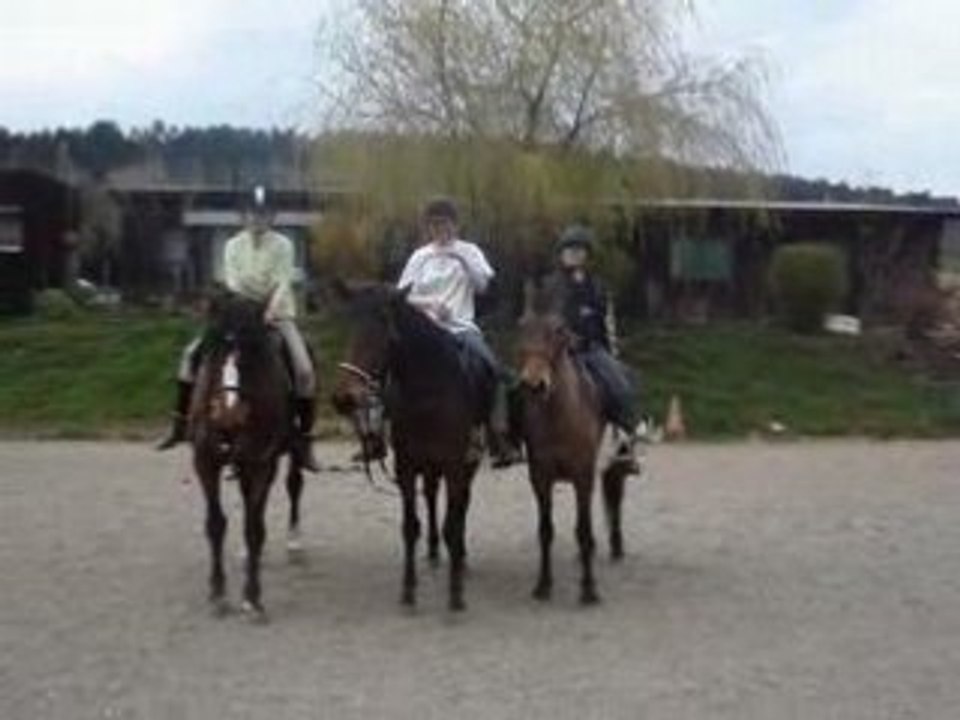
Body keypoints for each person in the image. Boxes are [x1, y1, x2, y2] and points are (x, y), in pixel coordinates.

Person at [156, 186, 319, 471]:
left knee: (304, 370)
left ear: (271, 216)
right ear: (244, 217)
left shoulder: (283, 245)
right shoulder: (232, 245)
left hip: (276, 314)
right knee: (190, 355)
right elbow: (233, 284)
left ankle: (304, 441)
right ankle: (179, 424)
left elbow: (282, 282)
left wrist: (269, 308)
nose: (258, 219)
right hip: (238, 315)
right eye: (252, 215)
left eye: (263, 214)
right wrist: (246, 303)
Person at [395, 197, 521, 467]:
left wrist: (462, 260)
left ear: (455, 225)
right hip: (424, 329)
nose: (440, 230)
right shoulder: (420, 256)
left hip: (460, 327)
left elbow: (483, 286)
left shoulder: (469, 251)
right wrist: (428, 303)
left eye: (444, 224)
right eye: (434, 224)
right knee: (389, 365)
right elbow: (401, 296)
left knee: (491, 368)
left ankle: (495, 432)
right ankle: (379, 430)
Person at [546, 223, 642, 472]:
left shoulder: (597, 287)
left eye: (578, 250)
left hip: (590, 349)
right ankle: (513, 438)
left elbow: (605, 322)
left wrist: (609, 350)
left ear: (587, 255)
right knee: (526, 383)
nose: (573, 255)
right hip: (558, 350)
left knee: (622, 380)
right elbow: (547, 318)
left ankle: (625, 440)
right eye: (568, 250)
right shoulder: (551, 285)